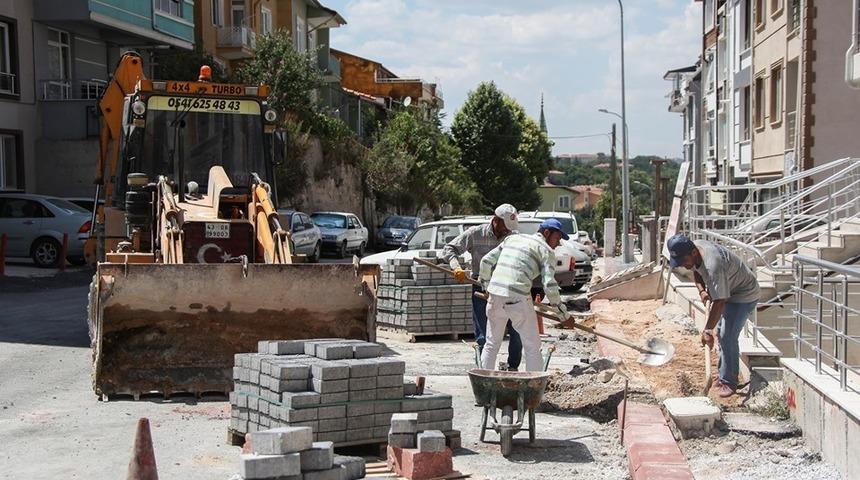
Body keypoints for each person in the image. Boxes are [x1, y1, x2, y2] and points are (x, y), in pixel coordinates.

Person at [667, 233, 761, 398]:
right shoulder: (695, 250)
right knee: (721, 333)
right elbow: (695, 270)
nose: (683, 266)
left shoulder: (713, 265)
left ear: (694, 253)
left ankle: (730, 382)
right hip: (728, 291)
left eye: (684, 261)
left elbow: (720, 301)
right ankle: (724, 374)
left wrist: (707, 330)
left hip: (743, 295)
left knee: (727, 336)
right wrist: (702, 290)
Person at [478, 219, 569, 372]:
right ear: (547, 233)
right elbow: (549, 285)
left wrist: (486, 287)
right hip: (518, 297)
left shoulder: (513, 239)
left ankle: (483, 386)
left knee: (491, 344)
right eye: (557, 238)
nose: (558, 244)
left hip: (495, 295)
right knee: (532, 346)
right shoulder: (546, 251)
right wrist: (564, 315)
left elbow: (486, 261)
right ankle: (534, 386)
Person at [442, 204, 523, 370]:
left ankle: (512, 367)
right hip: (481, 287)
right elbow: (449, 249)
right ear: (495, 221)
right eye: (504, 227)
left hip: (507, 288)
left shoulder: (513, 236)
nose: (507, 231)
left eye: (510, 228)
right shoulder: (475, 233)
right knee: (483, 333)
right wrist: (456, 267)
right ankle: (483, 369)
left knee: (517, 330)